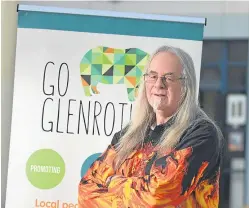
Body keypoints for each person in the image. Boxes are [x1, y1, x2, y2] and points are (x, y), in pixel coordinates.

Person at [78, 45, 224, 208]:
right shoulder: (128, 135)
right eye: (153, 76)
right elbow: (86, 190)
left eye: (168, 78)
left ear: (186, 85)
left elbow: (157, 195)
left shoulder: (200, 133)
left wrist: (112, 183)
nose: (159, 84)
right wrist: (135, 192)